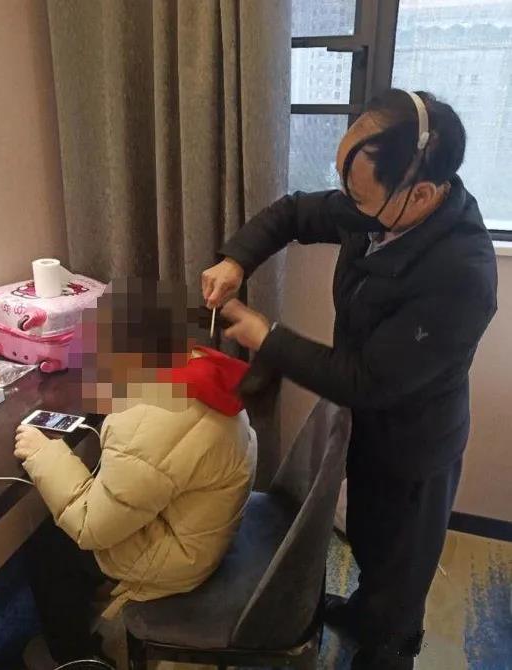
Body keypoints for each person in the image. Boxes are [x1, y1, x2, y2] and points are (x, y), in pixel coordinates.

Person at [202, 89, 498, 669]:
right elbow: (293, 213)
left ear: (421, 194)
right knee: (367, 536)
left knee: (400, 569)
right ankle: (366, 612)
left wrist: (267, 336)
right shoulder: (378, 208)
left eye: (358, 195)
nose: (346, 203)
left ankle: (390, 648)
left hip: (415, 444)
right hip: (367, 420)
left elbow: (367, 380)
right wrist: (237, 259)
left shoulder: (461, 273)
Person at [14, 277, 257, 666]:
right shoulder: (202, 369)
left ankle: (75, 657)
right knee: (88, 491)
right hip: (206, 524)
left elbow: (91, 526)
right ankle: (90, 600)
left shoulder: (152, 418)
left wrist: (43, 453)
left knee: (49, 544)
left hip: (180, 559)